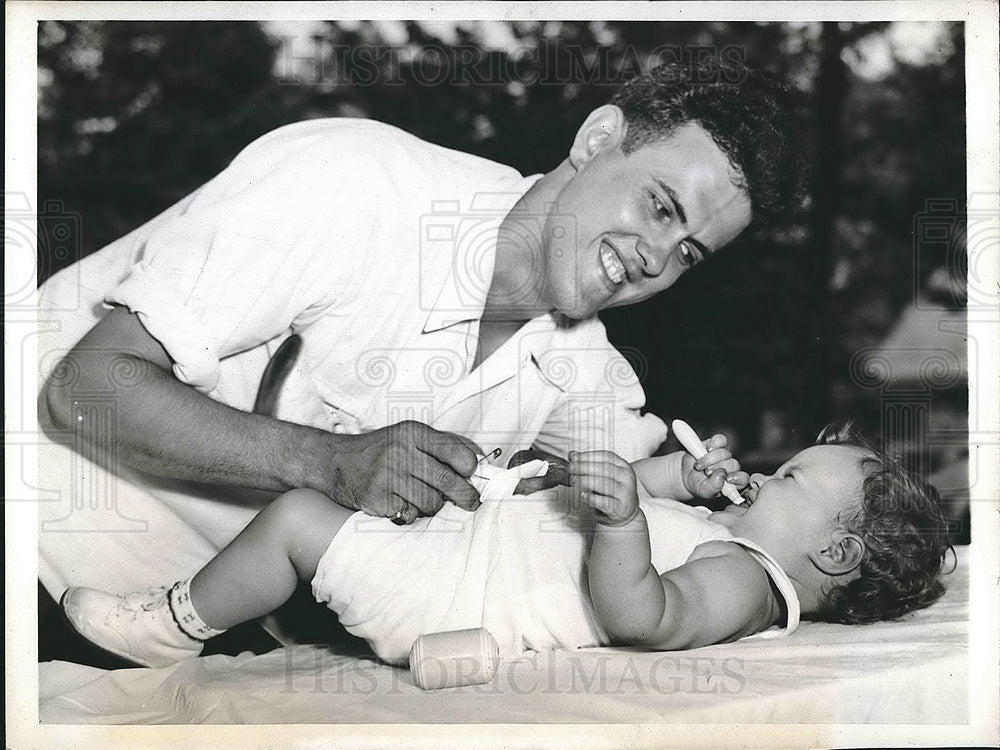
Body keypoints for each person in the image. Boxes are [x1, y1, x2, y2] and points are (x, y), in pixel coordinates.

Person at [37, 60, 805, 602]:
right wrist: (329, 463)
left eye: (690, 254)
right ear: (598, 137)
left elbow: (637, 495)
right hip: (34, 547)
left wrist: (744, 498)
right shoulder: (352, 182)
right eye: (661, 208)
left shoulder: (585, 367)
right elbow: (87, 388)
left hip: (172, 632)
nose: (657, 261)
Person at [60, 423, 952, 668]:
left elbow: (649, 616)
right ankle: (262, 611)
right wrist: (674, 481)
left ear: (833, 556)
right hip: (468, 558)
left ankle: (175, 624)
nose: (765, 473)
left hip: (455, 597)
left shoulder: (748, 583)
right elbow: (632, 510)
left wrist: (624, 524)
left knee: (299, 517)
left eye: (790, 479)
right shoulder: (726, 534)